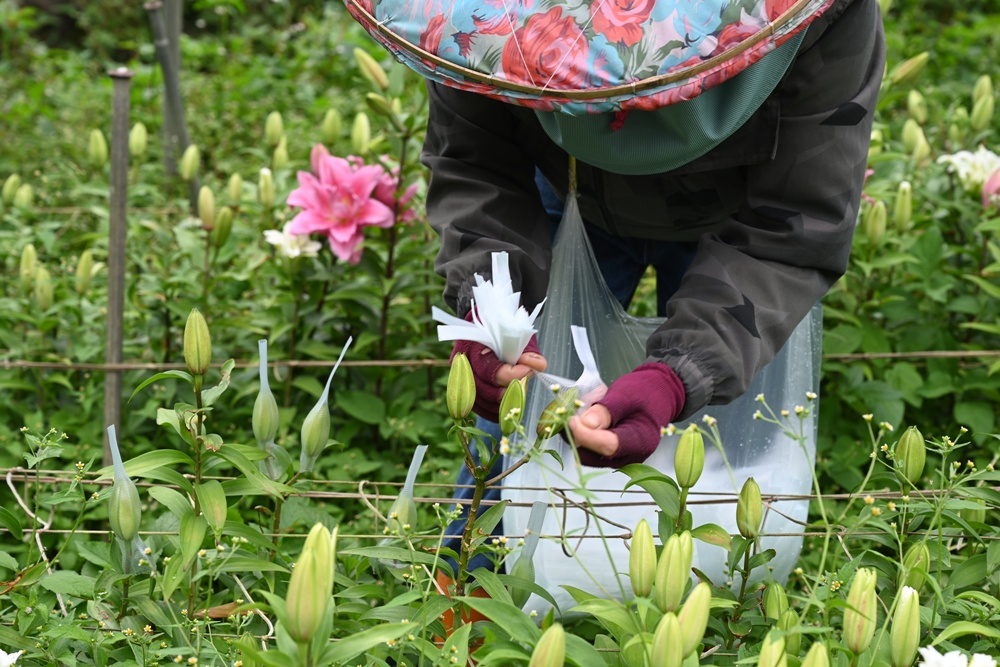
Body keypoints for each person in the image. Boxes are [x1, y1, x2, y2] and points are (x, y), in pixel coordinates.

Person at [416, 0, 884, 572]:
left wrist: (680, 374)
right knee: (514, 418)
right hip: (567, 194)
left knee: (730, 453)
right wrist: (491, 305)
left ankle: (715, 625)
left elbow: (796, 218)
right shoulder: (479, 11)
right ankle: (468, 613)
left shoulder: (820, 16)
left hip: (739, 226)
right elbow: (477, 165)